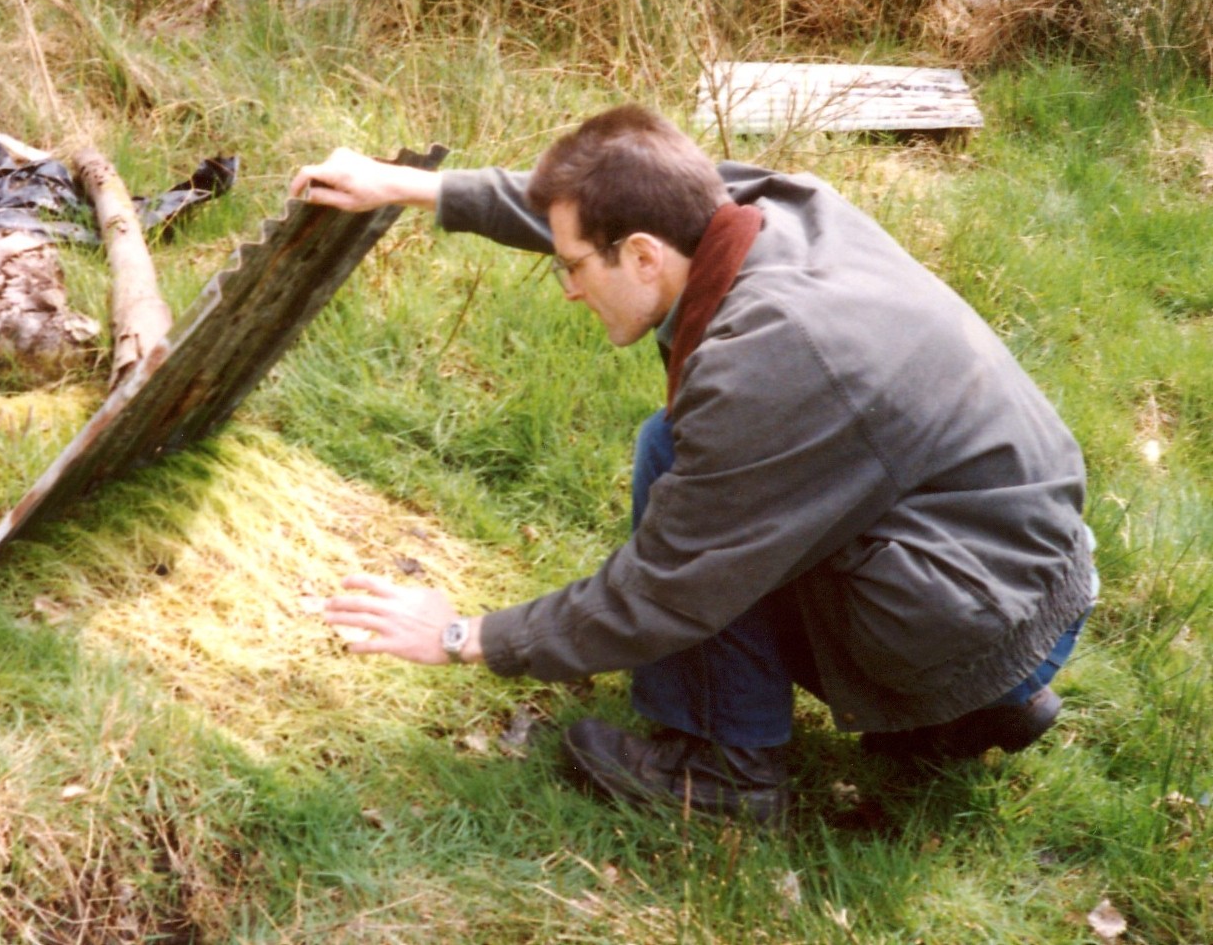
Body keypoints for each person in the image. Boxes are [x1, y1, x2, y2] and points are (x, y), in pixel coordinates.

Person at [290, 106, 1096, 823]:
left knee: (672, 458)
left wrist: (464, 635)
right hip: (1023, 571)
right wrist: (403, 187)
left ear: (642, 258)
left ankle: (723, 771)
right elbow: (599, 212)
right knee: (701, 464)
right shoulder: (767, 207)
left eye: (569, 267)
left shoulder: (769, 363)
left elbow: (668, 587)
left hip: (967, 613)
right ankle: (973, 711)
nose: (568, 288)